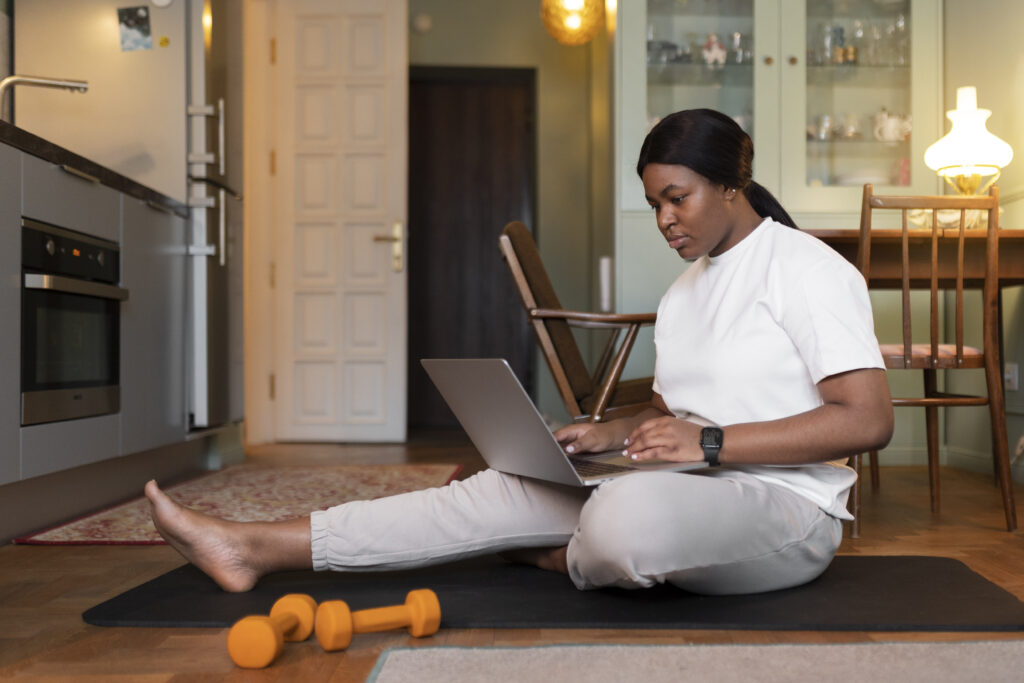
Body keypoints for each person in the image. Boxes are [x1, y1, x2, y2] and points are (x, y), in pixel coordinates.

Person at [146, 108, 893, 595]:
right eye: (654, 204)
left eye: (678, 197)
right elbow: (670, 407)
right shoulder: (684, 293)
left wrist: (709, 440)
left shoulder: (808, 269)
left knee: (626, 519)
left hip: (786, 508)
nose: (664, 220)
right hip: (686, 479)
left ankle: (550, 552)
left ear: (732, 187)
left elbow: (867, 421)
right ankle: (257, 547)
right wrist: (611, 430)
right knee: (490, 487)